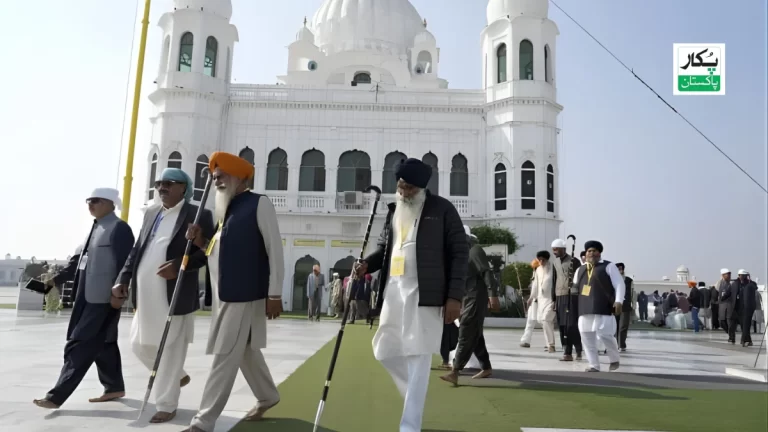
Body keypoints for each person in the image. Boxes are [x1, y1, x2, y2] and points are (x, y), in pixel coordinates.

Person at [355, 158, 466, 432]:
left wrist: (454, 297)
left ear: (421, 188)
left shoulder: (443, 210)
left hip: (426, 293)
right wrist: (368, 263)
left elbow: (459, 254)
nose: (403, 192)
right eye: (401, 186)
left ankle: (410, 425)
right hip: (394, 289)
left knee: (418, 355)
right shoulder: (394, 210)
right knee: (383, 349)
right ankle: (415, 395)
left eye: (409, 188)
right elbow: (384, 248)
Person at [183, 152, 284, 432]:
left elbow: (274, 251)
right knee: (245, 351)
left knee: (224, 354)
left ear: (240, 178)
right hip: (224, 295)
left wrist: (274, 294)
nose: (216, 182)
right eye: (214, 178)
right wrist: (201, 241)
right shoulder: (225, 211)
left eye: (221, 176)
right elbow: (216, 253)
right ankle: (268, 396)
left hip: (244, 294)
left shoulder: (258, 204)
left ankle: (203, 422)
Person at [112, 168, 214, 423]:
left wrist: (181, 264)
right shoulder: (151, 213)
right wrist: (123, 278)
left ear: (184, 188)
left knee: (169, 349)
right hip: (145, 296)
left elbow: (208, 252)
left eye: (168, 183)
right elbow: (138, 249)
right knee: (139, 344)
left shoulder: (199, 214)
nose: (161, 188)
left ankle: (167, 405)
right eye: (159, 183)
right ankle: (178, 376)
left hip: (174, 294)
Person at [34, 188, 135, 409]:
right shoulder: (94, 230)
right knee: (104, 342)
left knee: (79, 343)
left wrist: (120, 294)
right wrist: (47, 283)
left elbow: (126, 264)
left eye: (96, 201)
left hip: (104, 299)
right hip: (84, 298)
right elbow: (74, 266)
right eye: (88, 201)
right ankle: (114, 386)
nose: (90, 204)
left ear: (110, 203)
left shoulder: (119, 229)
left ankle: (56, 396)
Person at [440, 226, 501, 384]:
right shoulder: (460, 255)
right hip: (467, 297)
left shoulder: (474, 250)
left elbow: (487, 272)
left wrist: (493, 295)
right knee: (475, 334)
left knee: (466, 329)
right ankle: (486, 367)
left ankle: (455, 371)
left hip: (476, 296)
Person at [573, 241, 625, 372]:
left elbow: (619, 284)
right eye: (589, 251)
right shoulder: (580, 269)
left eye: (594, 251)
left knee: (605, 334)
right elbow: (574, 287)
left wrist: (619, 301)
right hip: (584, 308)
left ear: (599, 253)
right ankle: (593, 365)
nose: (591, 253)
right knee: (586, 336)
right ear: (585, 253)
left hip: (603, 306)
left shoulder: (609, 266)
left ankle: (614, 358)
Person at [550, 239, 582, 361]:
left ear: (563, 249)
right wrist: (553, 300)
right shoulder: (555, 262)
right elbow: (554, 280)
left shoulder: (574, 261)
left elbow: (579, 279)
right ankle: (567, 352)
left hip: (572, 296)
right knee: (562, 325)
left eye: (556, 249)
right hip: (559, 296)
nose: (554, 252)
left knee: (571, 325)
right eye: (553, 249)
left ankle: (578, 349)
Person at [723, 270, 758, 347]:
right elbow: (727, 294)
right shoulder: (734, 284)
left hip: (746, 308)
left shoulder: (750, 284)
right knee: (733, 324)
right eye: (740, 275)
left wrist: (749, 280)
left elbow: (755, 287)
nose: (741, 277)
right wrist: (721, 300)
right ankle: (739, 339)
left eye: (743, 275)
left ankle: (745, 340)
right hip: (736, 307)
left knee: (745, 325)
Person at [530, 250, 557, 353]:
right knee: (542, 321)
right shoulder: (538, 270)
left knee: (546, 319)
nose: (541, 262)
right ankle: (549, 343)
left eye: (543, 260)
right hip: (541, 299)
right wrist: (532, 297)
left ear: (547, 259)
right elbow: (535, 284)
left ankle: (551, 345)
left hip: (551, 299)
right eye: (539, 259)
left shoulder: (554, 269)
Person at [520, 258, 540, 348]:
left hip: (541, 301)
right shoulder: (534, 274)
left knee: (545, 322)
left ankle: (550, 342)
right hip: (534, 301)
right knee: (530, 321)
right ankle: (525, 340)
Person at [614, 263, 633, 351]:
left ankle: (621, 344)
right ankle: (614, 344)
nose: (620, 271)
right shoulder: (611, 280)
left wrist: (633, 305)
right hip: (614, 306)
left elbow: (633, 294)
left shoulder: (629, 280)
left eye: (621, 269)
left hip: (625, 306)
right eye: (618, 269)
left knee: (623, 326)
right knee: (614, 326)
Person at [716, 269, 732, 335]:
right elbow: (717, 289)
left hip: (728, 304)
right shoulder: (720, 283)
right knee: (721, 320)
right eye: (727, 274)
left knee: (728, 320)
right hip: (722, 304)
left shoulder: (730, 284)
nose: (728, 276)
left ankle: (731, 334)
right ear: (723, 275)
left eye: (729, 274)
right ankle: (729, 332)